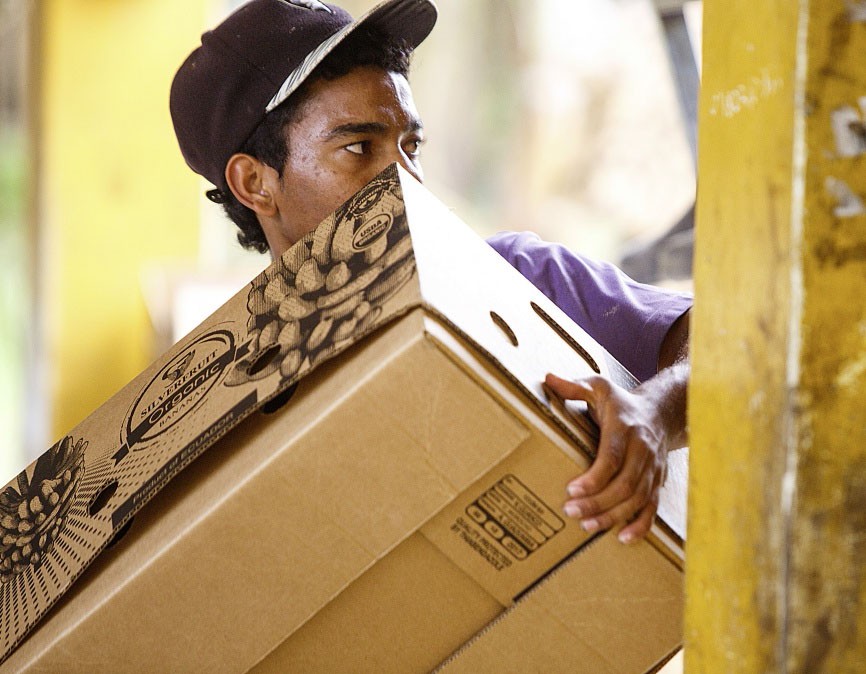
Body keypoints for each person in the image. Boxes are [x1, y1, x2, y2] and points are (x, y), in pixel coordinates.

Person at [169, 0, 691, 544]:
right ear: (255, 183)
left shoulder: (516, 278)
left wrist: (656, 412)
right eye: (358, 147)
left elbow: (719, 341)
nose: (408, 178)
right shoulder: (232, 401)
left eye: (410, 146)